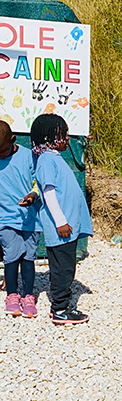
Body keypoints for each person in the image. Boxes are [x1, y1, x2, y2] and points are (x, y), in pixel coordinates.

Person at [31, 114, 93, 325]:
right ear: (49, 138)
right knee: (63, 269)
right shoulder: (47, 160)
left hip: (67, 226)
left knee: (65, 267)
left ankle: (61, 305)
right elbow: (48, 193)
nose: (67, 139)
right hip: (61, 228)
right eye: (63, 135)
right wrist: (60, 222)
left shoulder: (53, 158)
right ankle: (60, 309)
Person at [0, 121, 41, 318]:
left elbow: (39, 183)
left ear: (13, 140)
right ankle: (12, 295)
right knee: (11, 255)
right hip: (5, 219)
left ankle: (28, 296)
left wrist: (33, 196)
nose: (0, 155)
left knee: (28, 258)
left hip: (30, 219)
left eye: (3, 150)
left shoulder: (28, 157)